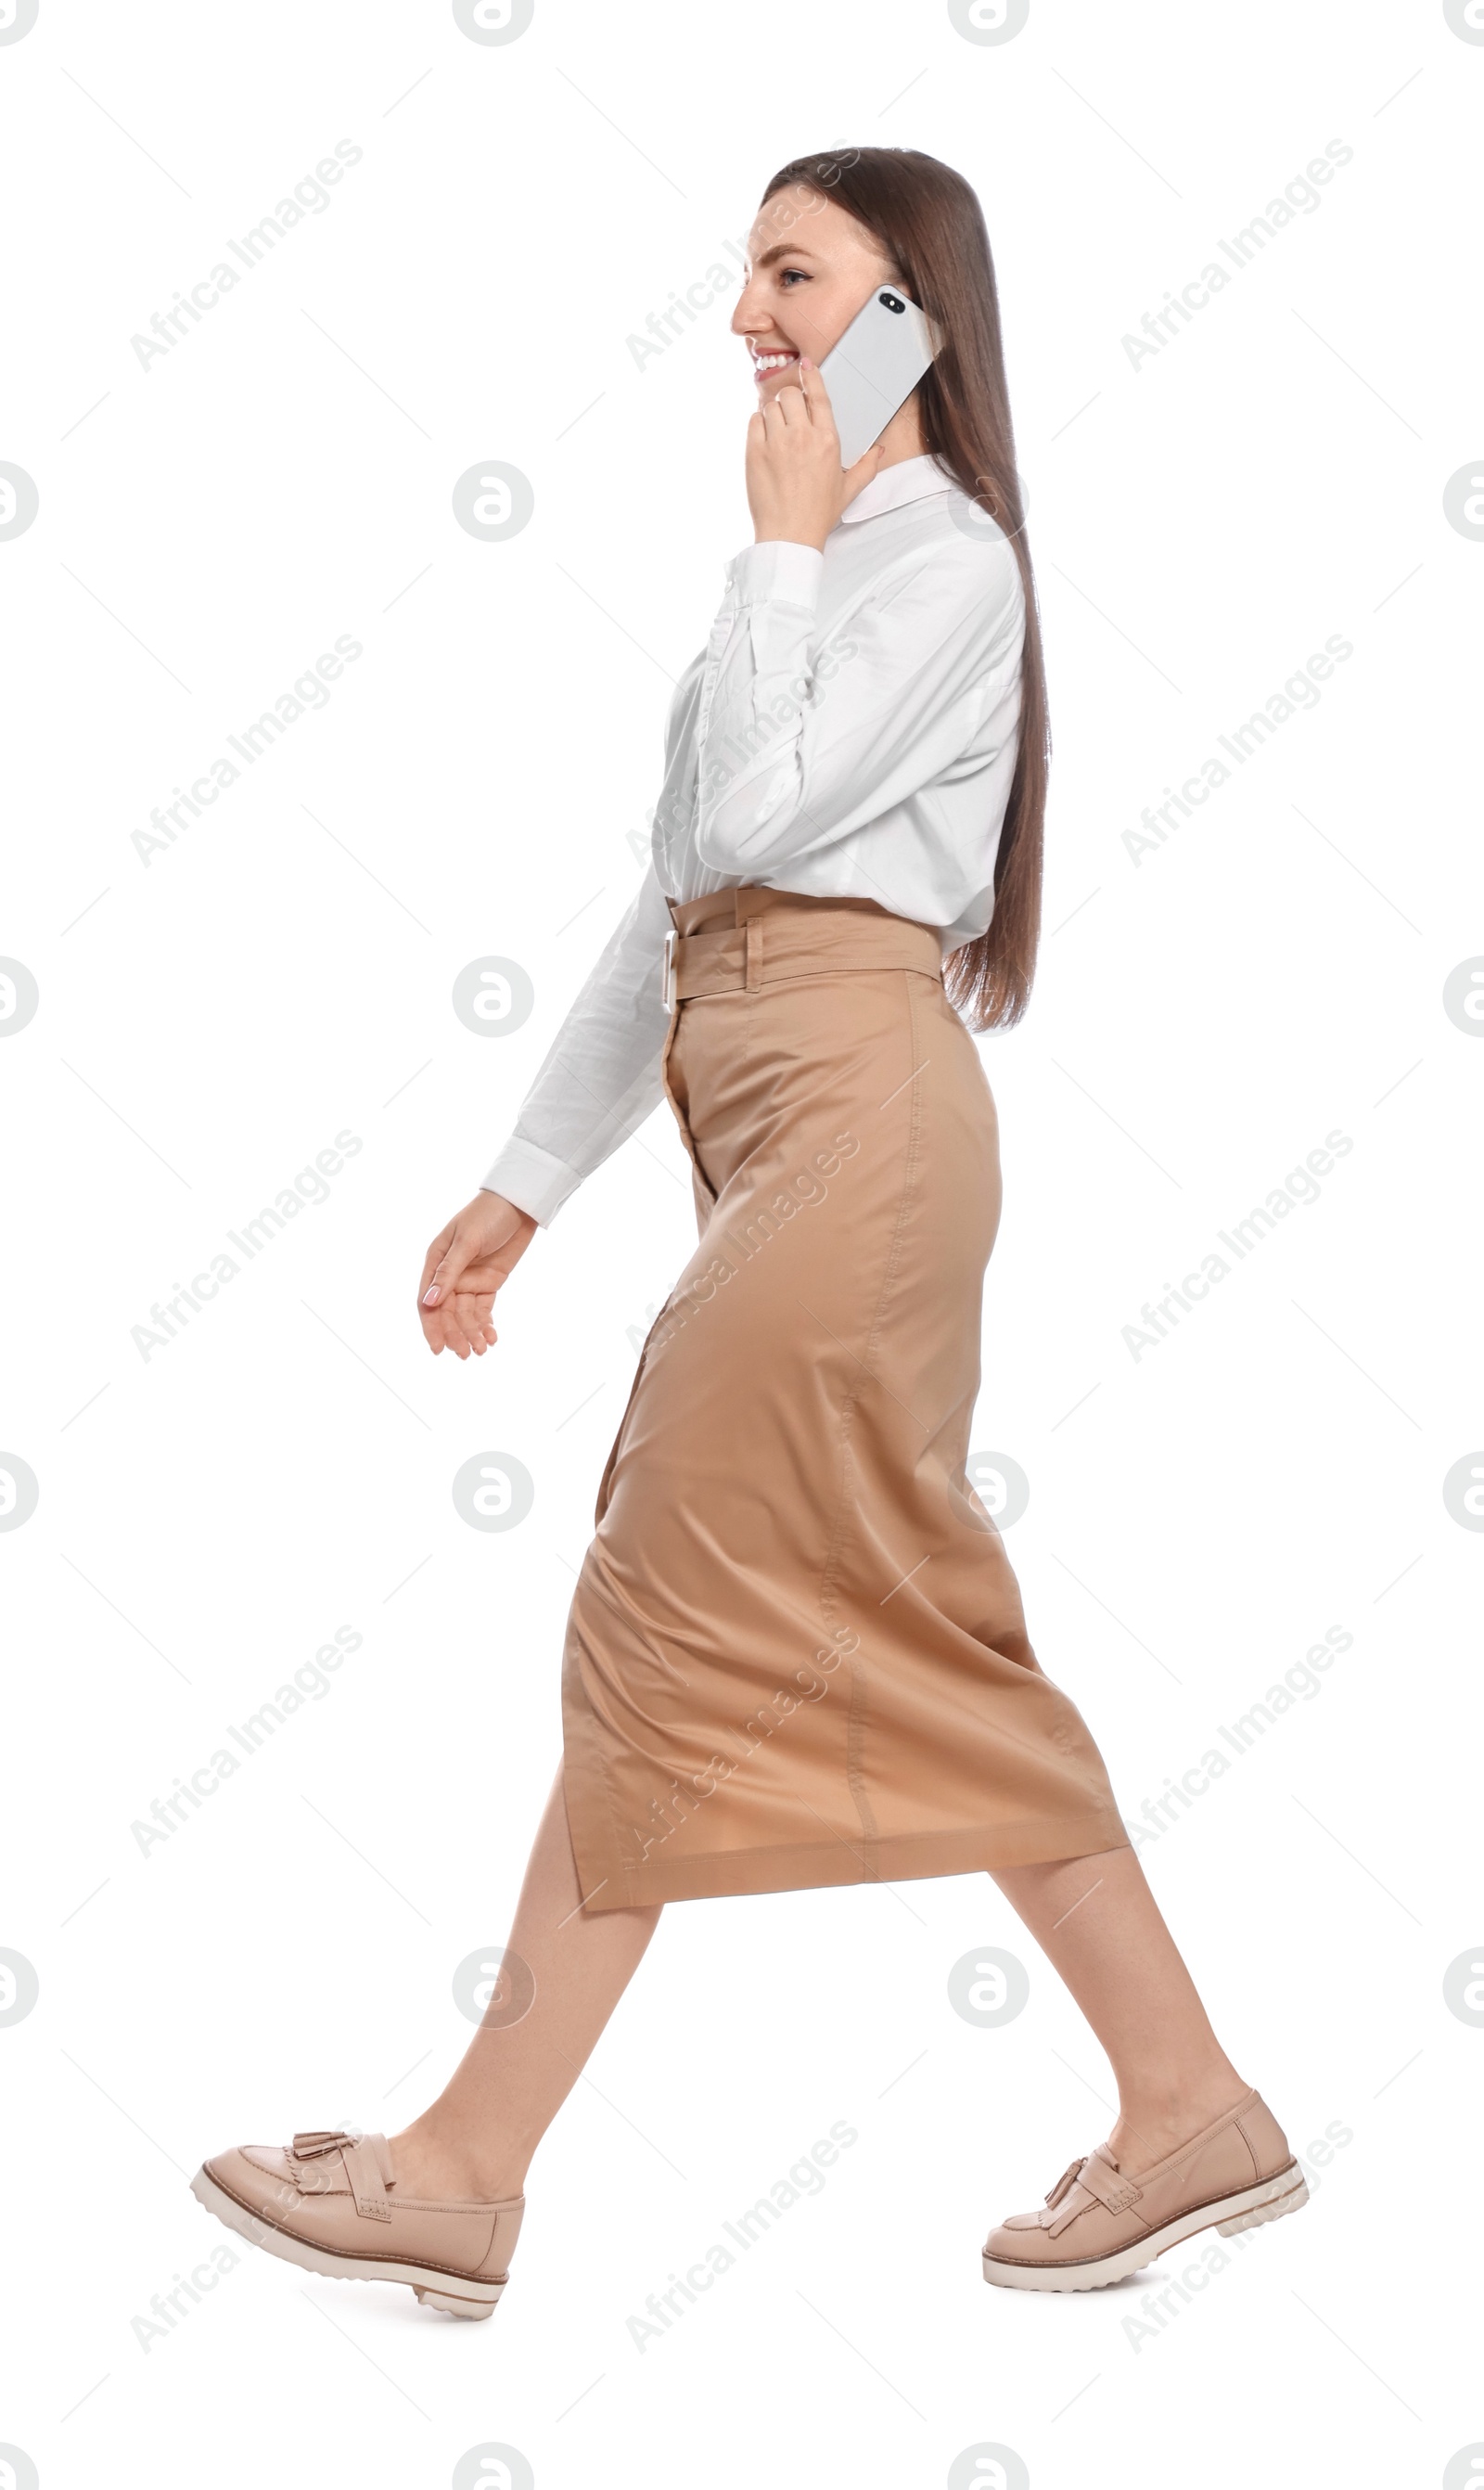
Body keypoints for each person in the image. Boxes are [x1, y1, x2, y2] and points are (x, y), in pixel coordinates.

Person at [190, 147, 1305, 2317]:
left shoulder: (934, 566)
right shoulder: (803, 568)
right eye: (748, 278)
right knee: (891, 1614)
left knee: (661, 1605)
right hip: (770, 1111)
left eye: (790, 275)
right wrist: (522, 1179)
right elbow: (680, 895)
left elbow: (766, 824)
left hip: (860, 1120)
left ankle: (461, 2167)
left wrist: (783, 555)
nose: (743, 321)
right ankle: (1184, 2106)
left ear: (913, 313)